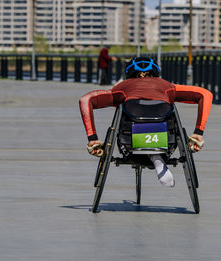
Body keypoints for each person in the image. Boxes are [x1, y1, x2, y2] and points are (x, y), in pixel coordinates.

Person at [80, 57, 213, 187]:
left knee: (127, 112)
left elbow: (85, 100)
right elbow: (206, 94)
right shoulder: (166, 85)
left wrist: (93, 139)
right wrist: (198, 132)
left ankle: (155, 157)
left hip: (130, 142)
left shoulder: (123, 86)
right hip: (166, 140)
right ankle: (156, 157)